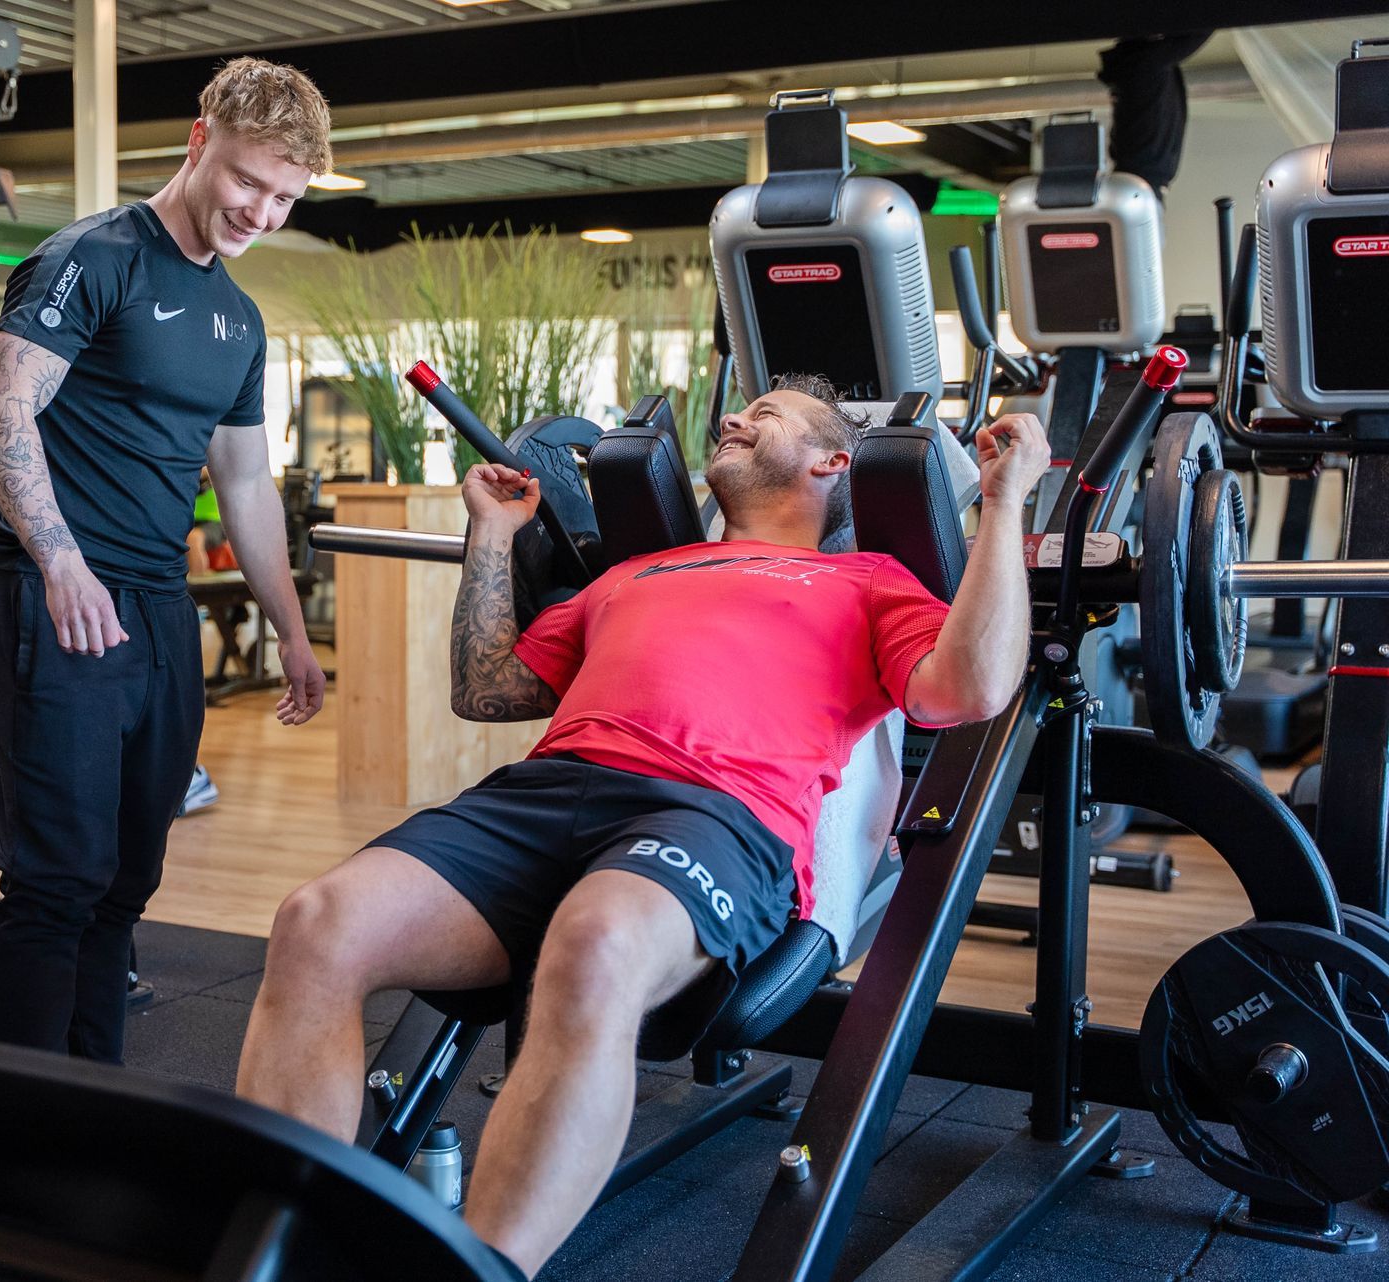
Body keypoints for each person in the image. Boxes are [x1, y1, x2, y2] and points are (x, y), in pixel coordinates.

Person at [234, 375, 1049, 1278]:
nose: (735, 417)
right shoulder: (632, 575)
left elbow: (969, 689)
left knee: (597, 944)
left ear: (831, 460)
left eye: (765, 414)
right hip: (542, 793)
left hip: (714, 814)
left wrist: (1006, 503)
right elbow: (489, 689)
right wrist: (493, 538)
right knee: (315, 925)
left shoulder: (868, 581)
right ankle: (279, 1259)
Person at [0, 57, 331, 1064]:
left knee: (129, 875)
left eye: (286, 198)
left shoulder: (241, 322)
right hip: (57, 600)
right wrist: (62, 564)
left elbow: (248, 485)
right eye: (251, 181)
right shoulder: (91, 258)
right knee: (59, 876)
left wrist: (291, 635)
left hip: (159, 614)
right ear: (198, 138)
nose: (262, 211)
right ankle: (24, 1110)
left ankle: (94, 1086)